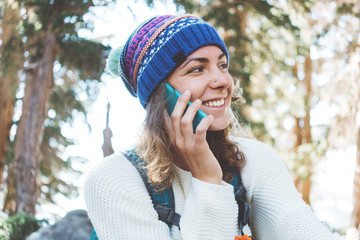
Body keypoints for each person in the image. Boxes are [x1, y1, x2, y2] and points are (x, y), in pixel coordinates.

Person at [84, 14, 337, 240]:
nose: (223, 80)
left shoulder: (254, 160)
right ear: (161, 94)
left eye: (222, 65)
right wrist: (207, 180)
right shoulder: (113, 180)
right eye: (197, 69)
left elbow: (298, 226)